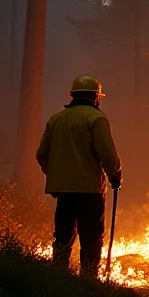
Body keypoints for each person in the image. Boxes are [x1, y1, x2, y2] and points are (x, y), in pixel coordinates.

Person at [36, 75, 123, 278]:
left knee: (63, 234)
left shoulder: (56, 119)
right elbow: (107, 154)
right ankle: (89, 278)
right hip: (90, 190)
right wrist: (115, 176)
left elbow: (41, 155)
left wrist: (57, 174)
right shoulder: (96, 119)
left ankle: (59, 276)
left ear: (73, 96)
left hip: (64, 191)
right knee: (91, 236)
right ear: (96, 97)